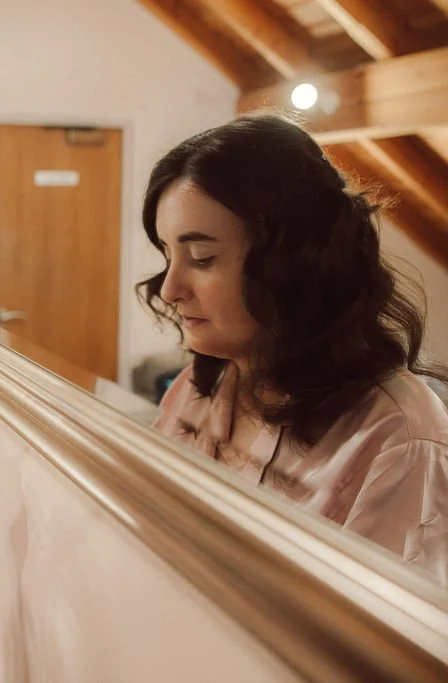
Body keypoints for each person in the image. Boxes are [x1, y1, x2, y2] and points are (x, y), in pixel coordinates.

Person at [139, 114, 448, 585]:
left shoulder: (399, 442)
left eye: (202, 258)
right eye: (167, 254)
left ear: (293, 262)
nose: (169, 289)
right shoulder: (200, 386)